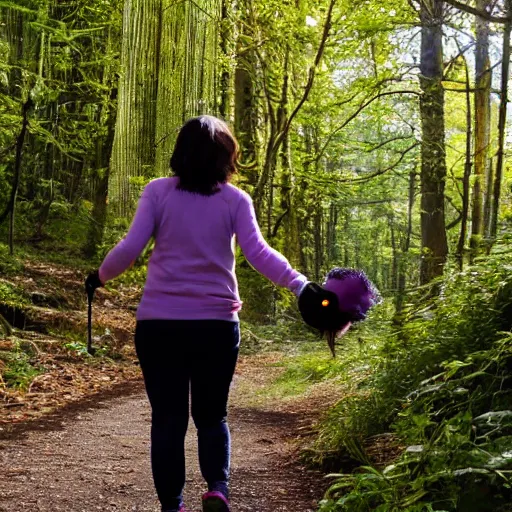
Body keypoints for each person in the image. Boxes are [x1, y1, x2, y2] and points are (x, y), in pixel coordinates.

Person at [85, 115, 309, 512]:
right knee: (211, 414)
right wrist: (299, 284)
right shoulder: (235, 200)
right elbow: (258, 254)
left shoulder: (158, 192)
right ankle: (217, 488)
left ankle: (172, 505)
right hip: (216, 326)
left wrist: (99, 277)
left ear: (180, 153)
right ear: (225, 157)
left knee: (168, 418)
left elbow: (130, 247)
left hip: (159, 326)